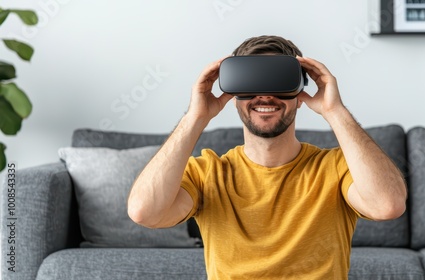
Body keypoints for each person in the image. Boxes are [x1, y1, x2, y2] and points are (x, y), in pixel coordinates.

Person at [127, 35, 407, 279]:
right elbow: (144, 212)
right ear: (234, 93)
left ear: (299, 94)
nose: (264, 96)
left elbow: (388, 206)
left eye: (278, 83)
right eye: (251, 84)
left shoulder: (335, 168)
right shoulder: (208, 172)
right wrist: (195, 117)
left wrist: (335, 111)